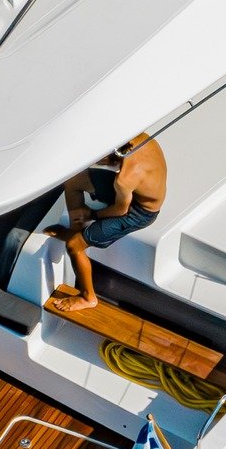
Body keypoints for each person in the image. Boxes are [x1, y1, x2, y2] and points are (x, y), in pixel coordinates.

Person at [47, 133, 166, 314]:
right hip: (136, 189)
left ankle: (87, 297)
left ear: (113, 157)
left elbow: (121, 210)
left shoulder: (124, 179)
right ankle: (76, 229)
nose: (97, 164)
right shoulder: (138, 135)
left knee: (74, 246)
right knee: (73, 181)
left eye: (101, 161)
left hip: (139, 212)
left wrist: (91, 214)